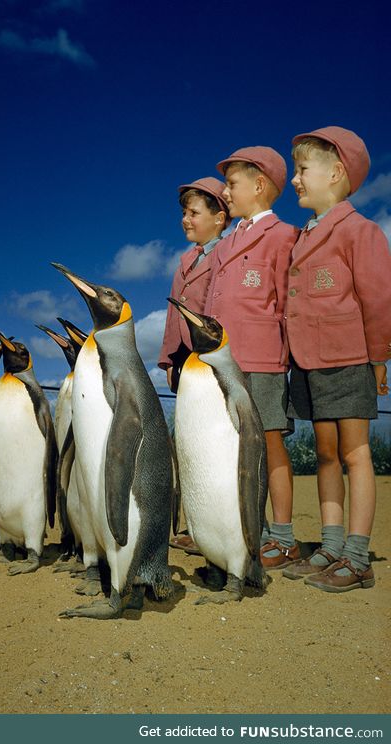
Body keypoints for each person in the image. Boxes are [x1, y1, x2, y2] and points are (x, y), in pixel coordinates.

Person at [282, 126, 391, 592]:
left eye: (302, 170)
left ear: (337, 172)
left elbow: (379, 299)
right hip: (307, 362)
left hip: (348, 357)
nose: (295, 180)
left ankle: (357, 554)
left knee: (355, 453)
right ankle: (329, 545)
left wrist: (380, 357)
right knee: (325, 454)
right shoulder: (302, 237)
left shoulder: (360, 231)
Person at [204, 146, 299, 570]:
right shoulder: (224, 246)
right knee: (229, 447)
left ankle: (282, 537)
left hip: (263, 361)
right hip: (221, 363)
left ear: (259, 185)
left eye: (232, 184)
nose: (225, 191)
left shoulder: (284, 236)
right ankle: (245, 530)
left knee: (270, 443)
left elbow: (290, 303)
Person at [159, 176, 230, 554]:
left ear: (220, 218)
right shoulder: (185, 260)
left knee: (215, 444)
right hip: (186, 363)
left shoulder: (227, 255)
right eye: (184, 213)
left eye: (194, 212)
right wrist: (168, 357)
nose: (186, 219)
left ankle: (221, 525)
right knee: (188, 444)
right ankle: (195, 524)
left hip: (211, 359)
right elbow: (174, 315)